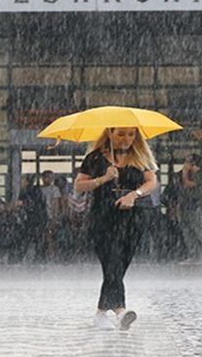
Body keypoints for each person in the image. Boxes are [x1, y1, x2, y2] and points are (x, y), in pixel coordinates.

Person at [74, 127, 157, 331]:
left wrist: (134, 195)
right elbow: (79, 185)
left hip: (133, 218)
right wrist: (103, 179)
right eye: (120, 134)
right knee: (112, 259)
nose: (126, 139)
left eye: (131, 134)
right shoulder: (95, 158)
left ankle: (101, 312)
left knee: (119, 265)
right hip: (103, 217)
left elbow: (151, 182)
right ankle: (120, 311)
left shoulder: (140, 156)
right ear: (110, 133)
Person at [40, 170, 62, 260]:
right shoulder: (40, 189)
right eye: (47, 177)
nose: (49, 179)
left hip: (49, 215)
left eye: (51, 177)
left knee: (50, 235)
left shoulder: (54, 189)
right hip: (42, 215)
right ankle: (49, 253)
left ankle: (52, 253)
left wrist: (54, 216)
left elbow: (55, 204)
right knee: (46, 235)